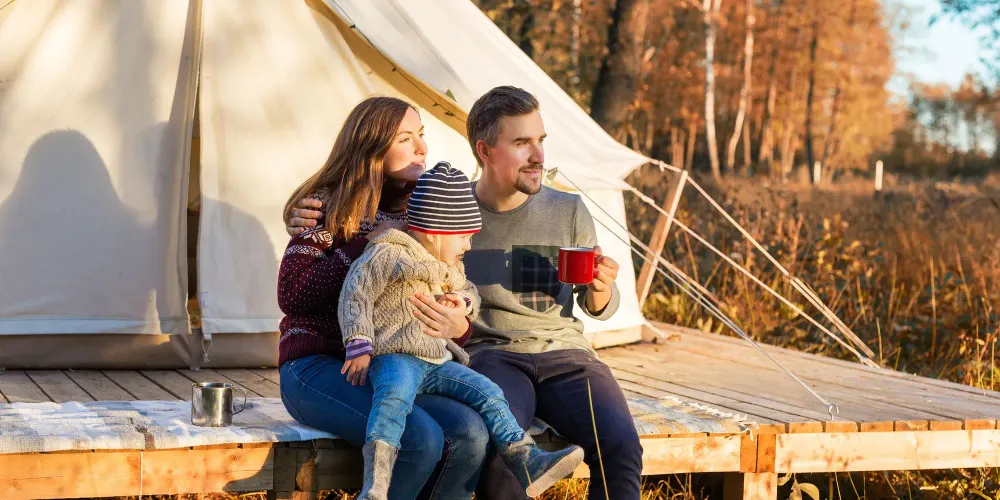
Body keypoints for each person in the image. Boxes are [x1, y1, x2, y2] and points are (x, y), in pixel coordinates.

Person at [287, 86, 643, 500]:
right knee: (467, 447)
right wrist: (336, 230)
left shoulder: (554, 209)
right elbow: (317, 284)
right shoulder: (424, 211)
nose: (538, 155)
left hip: (554, 354)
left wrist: (600, 288)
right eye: (522, 142)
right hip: (463, 356)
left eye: (540, 140)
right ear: (485, 151)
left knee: (611, 444)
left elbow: (457, 296)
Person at [277, 96, 490, 500]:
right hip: (317, 365)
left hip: (397, 366)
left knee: (471, 434)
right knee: (419, 438)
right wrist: (369, 245)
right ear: (371, 148)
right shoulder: (327, 208)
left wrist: (458, 324)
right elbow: (293, 295)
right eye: (405, 139)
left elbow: (448, 292)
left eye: (421, 135)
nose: (422, 148)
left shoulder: (425, 209)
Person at [339, 163, 584, 500]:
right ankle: (376, 486)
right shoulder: (387, 254)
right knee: (391, 403)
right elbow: (355, 294)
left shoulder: (451, 266)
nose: (469, 244)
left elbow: (471, 291)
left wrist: (463, 302)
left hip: (437, 361)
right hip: (396, 357)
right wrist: (359, 342)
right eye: (464, 235)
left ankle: (527, 459)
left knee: (489, 392)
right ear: (433, 232)